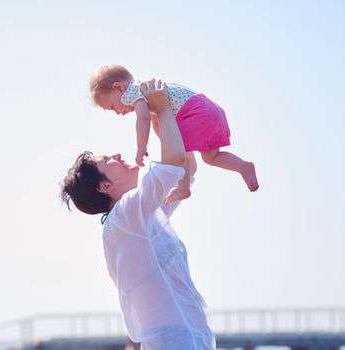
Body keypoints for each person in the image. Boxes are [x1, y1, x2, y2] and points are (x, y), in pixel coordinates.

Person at [61, 80, 216, 349]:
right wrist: (163, 109)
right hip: (174, 342)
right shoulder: (125, 216)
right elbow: (174, 165)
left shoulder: (137, 217)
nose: (117, 154)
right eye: (107, 160)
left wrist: (160, 124)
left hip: (190, 338)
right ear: (104, 186)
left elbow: (185, 169)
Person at [89, 64, 259, 204]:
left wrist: (141, 148)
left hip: (196, 114)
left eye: (112, 107)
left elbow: (143, 119)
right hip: (210, 110)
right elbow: (159, 124)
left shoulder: (134, 92)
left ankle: (183, 187)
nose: (118, 113)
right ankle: (243, 166)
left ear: (118, 88)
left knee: (178, 150)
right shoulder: (147, 89)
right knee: (211, 157)